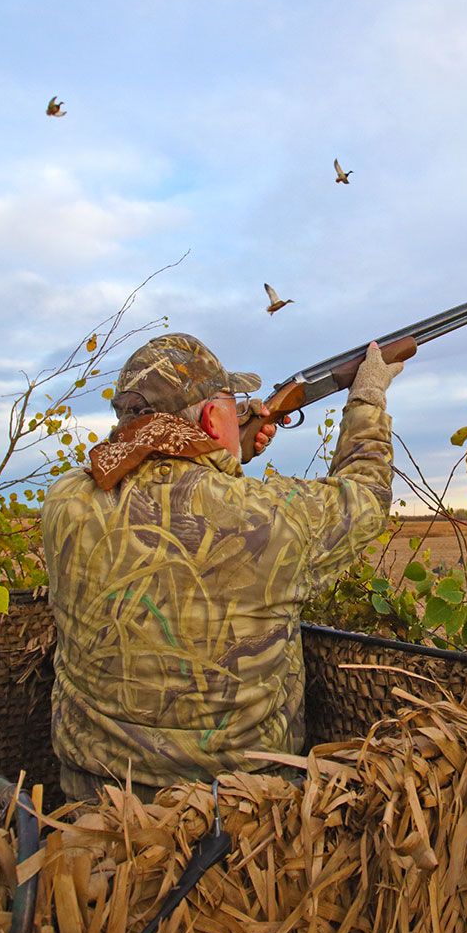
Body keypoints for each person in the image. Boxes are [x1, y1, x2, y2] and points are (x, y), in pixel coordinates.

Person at [40, 331, 400, 800]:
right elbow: (367, 495)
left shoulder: (65, 500)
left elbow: (148, 473)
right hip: (242, 818)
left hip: (97, 810)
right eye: (234, 405)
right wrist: (367, 398)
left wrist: (223, 451)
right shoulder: (272, 516)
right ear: (211, 418)